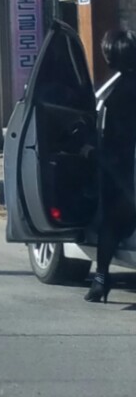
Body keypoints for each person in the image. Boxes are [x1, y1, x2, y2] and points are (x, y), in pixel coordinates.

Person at [85, 29, 136, 303]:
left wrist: (92, 152)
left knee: (110, 224)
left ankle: (101, 279)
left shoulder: (120, 93)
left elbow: (116, 138)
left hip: (123, 170)